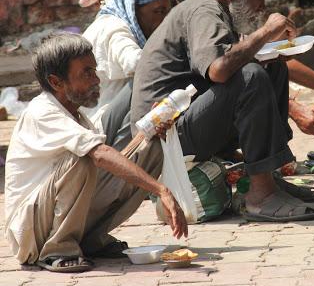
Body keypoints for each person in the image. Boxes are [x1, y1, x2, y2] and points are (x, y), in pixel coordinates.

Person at [130, 0, 314, 223]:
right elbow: (220, 71)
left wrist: (265, 49)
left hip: (185, 125)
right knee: (249, 77)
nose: (261, 6)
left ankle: (266, 177)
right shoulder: (203, 10)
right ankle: (260, 197)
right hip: (164, 139)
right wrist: (266, 31)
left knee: (272, 69)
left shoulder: (211, 10)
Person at [4, 33, 187, 273]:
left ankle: (89, 240)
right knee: (83, 158)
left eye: (94, 71)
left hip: (52, 215)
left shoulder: (76, 115)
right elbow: (99, 154)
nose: (96, 80)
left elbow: (117, 155)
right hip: (30, 232)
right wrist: (161, 190)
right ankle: (57, 249)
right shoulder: (41, 112)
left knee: (151, 149)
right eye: (86, 73)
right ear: (56, 82)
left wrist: (152, 128)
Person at [82, 0, 171, 129]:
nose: (164, 20)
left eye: (166, 12)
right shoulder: (114, 28)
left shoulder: (109, 23)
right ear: (133, 9)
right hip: (99, 124)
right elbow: (134, 63)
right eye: (158, 11)